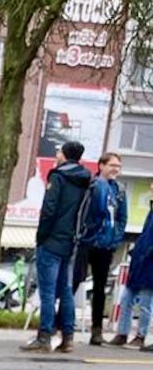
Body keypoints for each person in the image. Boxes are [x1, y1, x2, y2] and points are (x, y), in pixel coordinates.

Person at [22, 141, 91, 353]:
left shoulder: (58, 176)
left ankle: (45, 336)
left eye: (59, 151)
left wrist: (41, 236)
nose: (56, 154)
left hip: (52, 239)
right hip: (71, 241)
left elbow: (49, 209)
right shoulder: (86, 179)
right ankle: (67, 338)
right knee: (66, 289)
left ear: (65, 155)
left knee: (48, 290)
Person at [73, 152, 127, 345]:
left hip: (106, 244)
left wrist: (115, 239)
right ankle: (60, 323)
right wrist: (85, 234)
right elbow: (85, 212)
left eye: (118, 167)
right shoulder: (93, 186)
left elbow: (122, 218)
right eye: (112, 165)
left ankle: (96, 330)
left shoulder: (119, 190)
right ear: (101, 165)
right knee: (74, 282)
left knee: (99, 289)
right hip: (88, 241)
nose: (115, 169)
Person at [109, 186, 153, 349]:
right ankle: (122, 333)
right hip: (139, 262)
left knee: (145, 304)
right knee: (126, 299)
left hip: (149, 264)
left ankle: (140, 336)